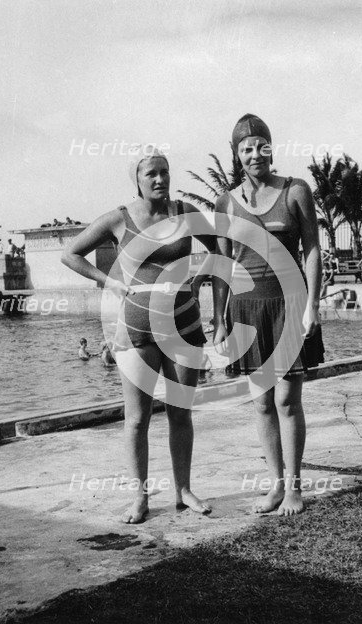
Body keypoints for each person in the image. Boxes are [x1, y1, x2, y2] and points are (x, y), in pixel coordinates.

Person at [62, 145, 215, 524]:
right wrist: (108, 282)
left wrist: (198, 280)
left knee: (181, 413)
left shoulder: (185, 213)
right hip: (137, 328)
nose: (161, 179)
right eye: (152, 174)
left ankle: (183, 491)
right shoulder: (119, 219)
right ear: (138, 180)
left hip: (183, 325)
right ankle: (139, 498)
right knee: (136, 419)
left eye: (165, 171)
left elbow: (219, 247)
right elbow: (71, 253)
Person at [212, 114, 322, 517]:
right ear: (236, 155)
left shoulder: (295, 191)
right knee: (261, 404)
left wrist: (312, 304)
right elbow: (222, 263)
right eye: (246, 148)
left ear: (272, 148)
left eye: (262, 146)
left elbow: (312, 249)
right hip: (245, 309)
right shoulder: (225, 202)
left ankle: (294, 489)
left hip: (289, 304)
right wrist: (220, 320)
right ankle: (276, 486)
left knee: (287, 399)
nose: (255, 154)